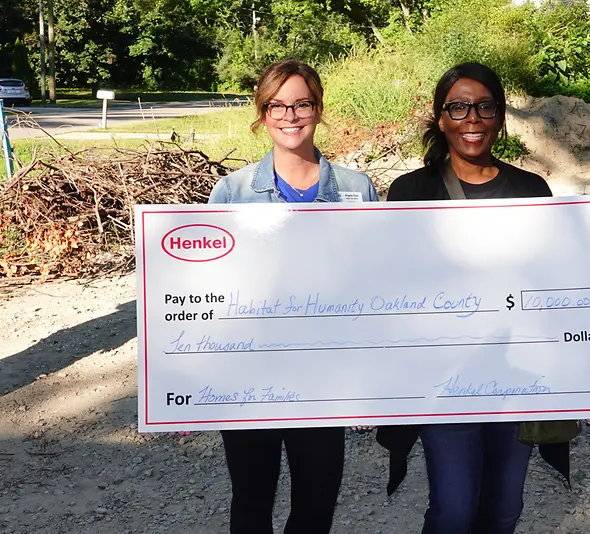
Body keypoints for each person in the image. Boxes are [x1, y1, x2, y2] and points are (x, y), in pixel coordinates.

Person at [206, 58, 377, 533]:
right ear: (262, 113)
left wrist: (367, 378)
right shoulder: (232, 191)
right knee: (251, 503)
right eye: (277, 106)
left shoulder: (357, 188)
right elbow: (209, 292)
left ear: (318, 109)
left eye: (302, 104)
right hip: (249, 375)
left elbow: (374, 287)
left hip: (323, 377)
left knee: (316, 506)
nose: (290, 116)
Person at [384, 62, 550, 534]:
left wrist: (587, 377)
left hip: (515, 375)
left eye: (484, 107)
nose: (472, 118)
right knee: (453, 510)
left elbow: (553, 285)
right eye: (458, 107)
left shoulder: (532, 191)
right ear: (441, 118)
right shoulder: (410, 192)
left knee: (504, 509)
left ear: (500, 116)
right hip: (443, 378)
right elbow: (389, 289)